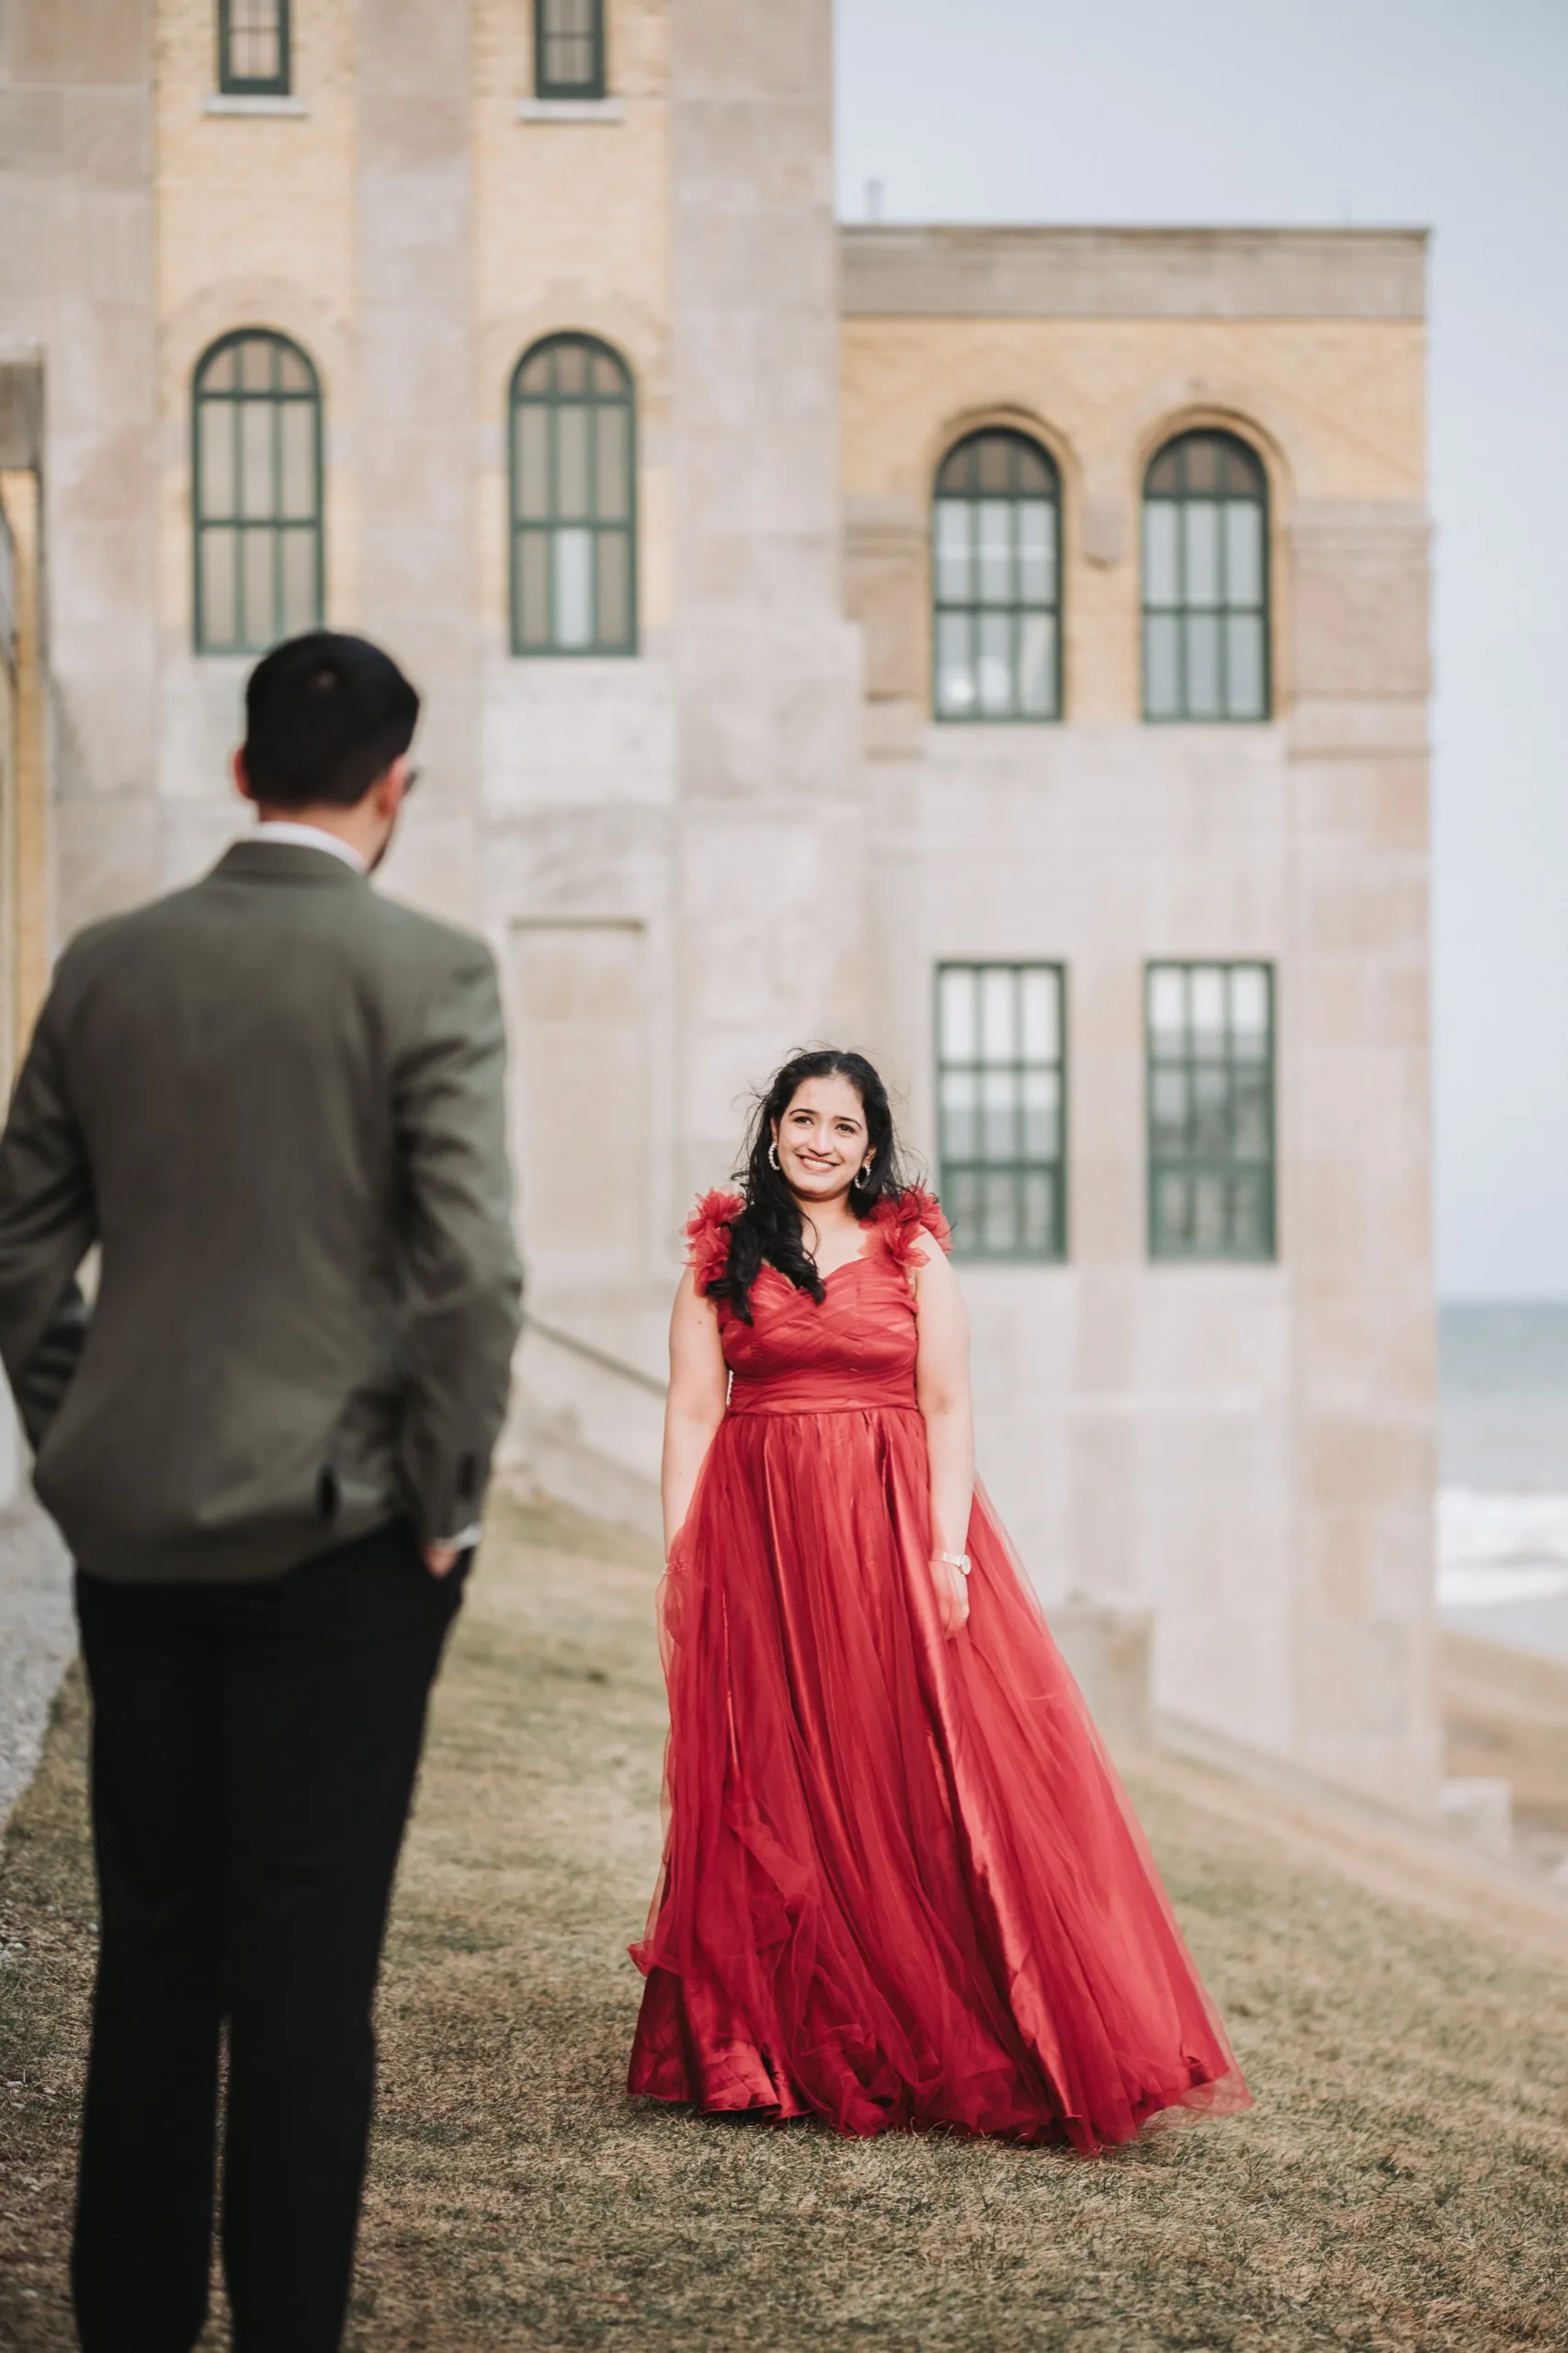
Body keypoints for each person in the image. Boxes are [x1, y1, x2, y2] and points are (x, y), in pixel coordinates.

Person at [0, 632, 523, 2351]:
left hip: (136, 1533)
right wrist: (438, 1495)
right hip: (346, 1539)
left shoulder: (107, 966)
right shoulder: (427, 973)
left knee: (155, 1949)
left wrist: (88, 1442)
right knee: (306, 1976)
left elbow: (17, 1253)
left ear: (239, 772)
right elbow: (468, 1280)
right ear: (397, 787)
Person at [630, 1048, 1249, 2150]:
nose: (820, 1140)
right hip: (761, 1539)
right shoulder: (719, 1255)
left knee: (904, 1769)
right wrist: (686, 1556)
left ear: (872, 1147)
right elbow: (690, 1414)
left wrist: (947, 1553)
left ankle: (968, 2025)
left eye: (844, 1126)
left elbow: (949, 1408)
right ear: (772, 1127)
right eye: (803, 1118)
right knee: (776, 1780)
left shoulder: (914, 1253)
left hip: (888, 1533)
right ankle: (768, 2043)